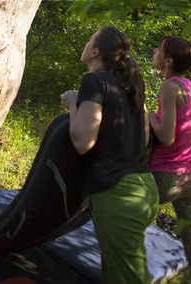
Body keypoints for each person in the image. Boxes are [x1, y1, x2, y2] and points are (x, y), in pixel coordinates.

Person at [61, 27, 158, 283]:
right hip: (145, 189)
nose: (86, 42)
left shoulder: (94, 81)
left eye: (89, 39)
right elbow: (145, 138)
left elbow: (83, 140)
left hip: (120, 197)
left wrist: (72, 103)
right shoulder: (131, 84)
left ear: (95, 52)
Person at [149, 36, 191, 284]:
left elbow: (165, 136)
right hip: (190, 179)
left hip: (164, 177)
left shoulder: (169, 87)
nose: (154, 50)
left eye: (159, 49)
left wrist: (146, 115)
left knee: (122, 226)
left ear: (168, 60)